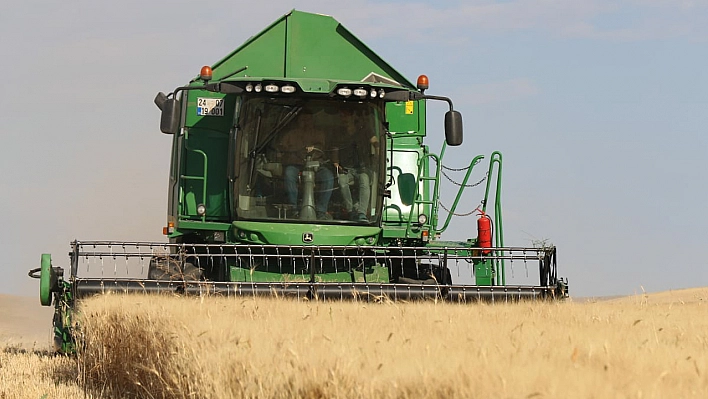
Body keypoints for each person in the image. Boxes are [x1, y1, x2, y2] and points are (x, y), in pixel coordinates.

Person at [277, 112, 333, 220]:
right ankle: (293, 209)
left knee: (328, 177)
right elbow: (281, 147)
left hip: (316, 165)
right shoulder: (291, 134)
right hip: (296, 165)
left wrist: (314, 148)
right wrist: (293, 152)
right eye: (303, 120)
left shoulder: (319, 134)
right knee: (289, 174)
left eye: (308, 120)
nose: (305, 123)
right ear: (298, 121)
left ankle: (321, 211)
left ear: (312, 121)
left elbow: (323, 148)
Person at [330, 109, 379, 222]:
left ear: (353, 117)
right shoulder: (339, 133)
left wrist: (377, 154)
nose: (344, 119)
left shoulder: (364, 129)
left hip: (363, 168)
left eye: (347, 116)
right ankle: (350, 210)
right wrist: (336, 162)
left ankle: (362, 212)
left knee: (364, 180)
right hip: (346, 168)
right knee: (342, 181)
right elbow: (335, 149)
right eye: (342, 117)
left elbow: (375, 142)